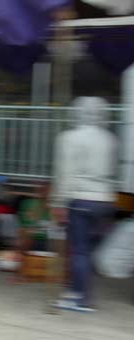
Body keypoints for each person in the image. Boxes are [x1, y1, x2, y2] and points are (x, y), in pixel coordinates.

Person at [51, 97, 117, 312]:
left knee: (79, 251)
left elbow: (65, 174)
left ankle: (80, 298)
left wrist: (58, 203)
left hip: (81, 199)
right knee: (88, 251)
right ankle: (78, 289)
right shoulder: (110, 139)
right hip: (106, 202)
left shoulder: (69, 138)